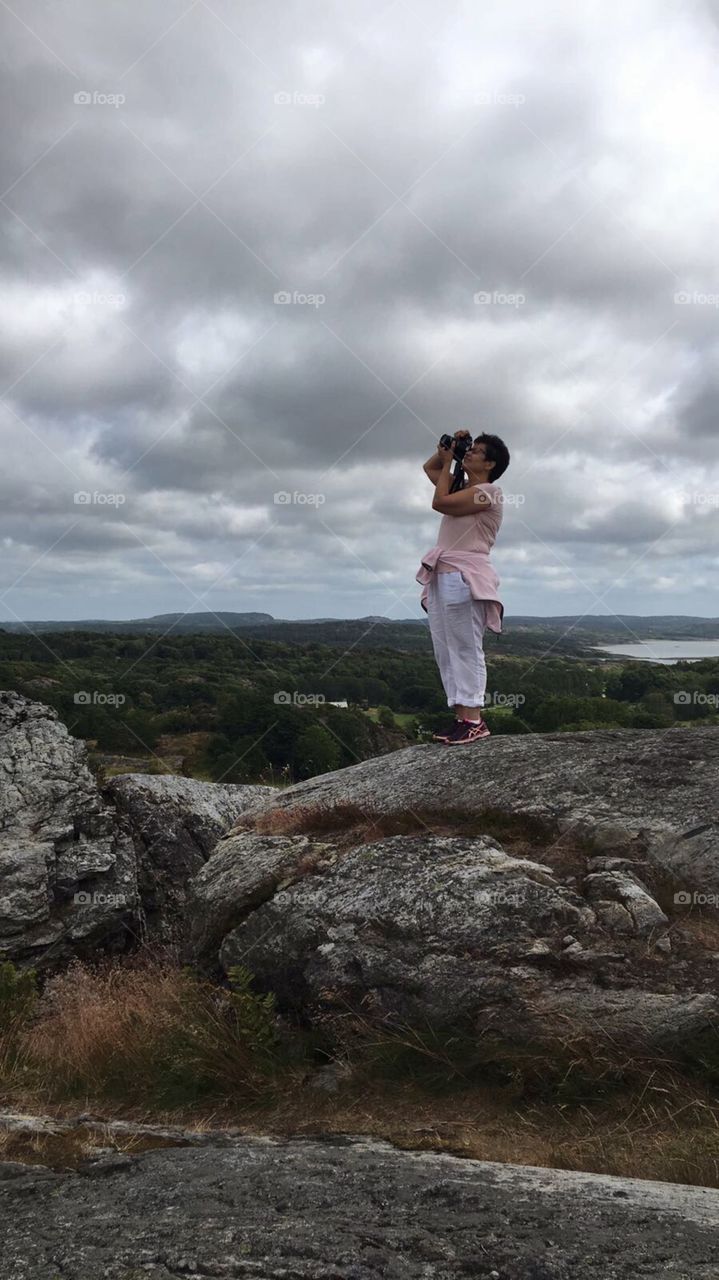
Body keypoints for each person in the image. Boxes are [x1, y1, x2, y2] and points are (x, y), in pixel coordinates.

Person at [416, 429, 510, 745]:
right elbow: (430, 470)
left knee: (465, 647)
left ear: (491, 464)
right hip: (443, 573)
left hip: (465, 575)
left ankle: (474, 720)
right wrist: (449, 453)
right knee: (445, 649)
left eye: (477, 450)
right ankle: (461, 717)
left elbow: (440, 502)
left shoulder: (488, 493)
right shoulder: (465, 489)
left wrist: (450, 463)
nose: (471, 452)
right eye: (472, 448)